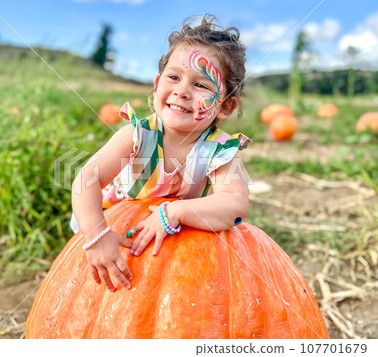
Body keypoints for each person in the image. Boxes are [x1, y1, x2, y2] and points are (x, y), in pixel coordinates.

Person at [71, 14, 251, 293]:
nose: (181, 91)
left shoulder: (219, 151)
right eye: (174, 77)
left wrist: (175, 211)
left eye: (200, 85)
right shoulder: (136, 135)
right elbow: (86, 180)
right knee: (87, 271)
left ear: (225, 107)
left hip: (180, 233)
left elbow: (236, 205)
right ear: (157, 86)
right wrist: (97, 237)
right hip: (118, 225)